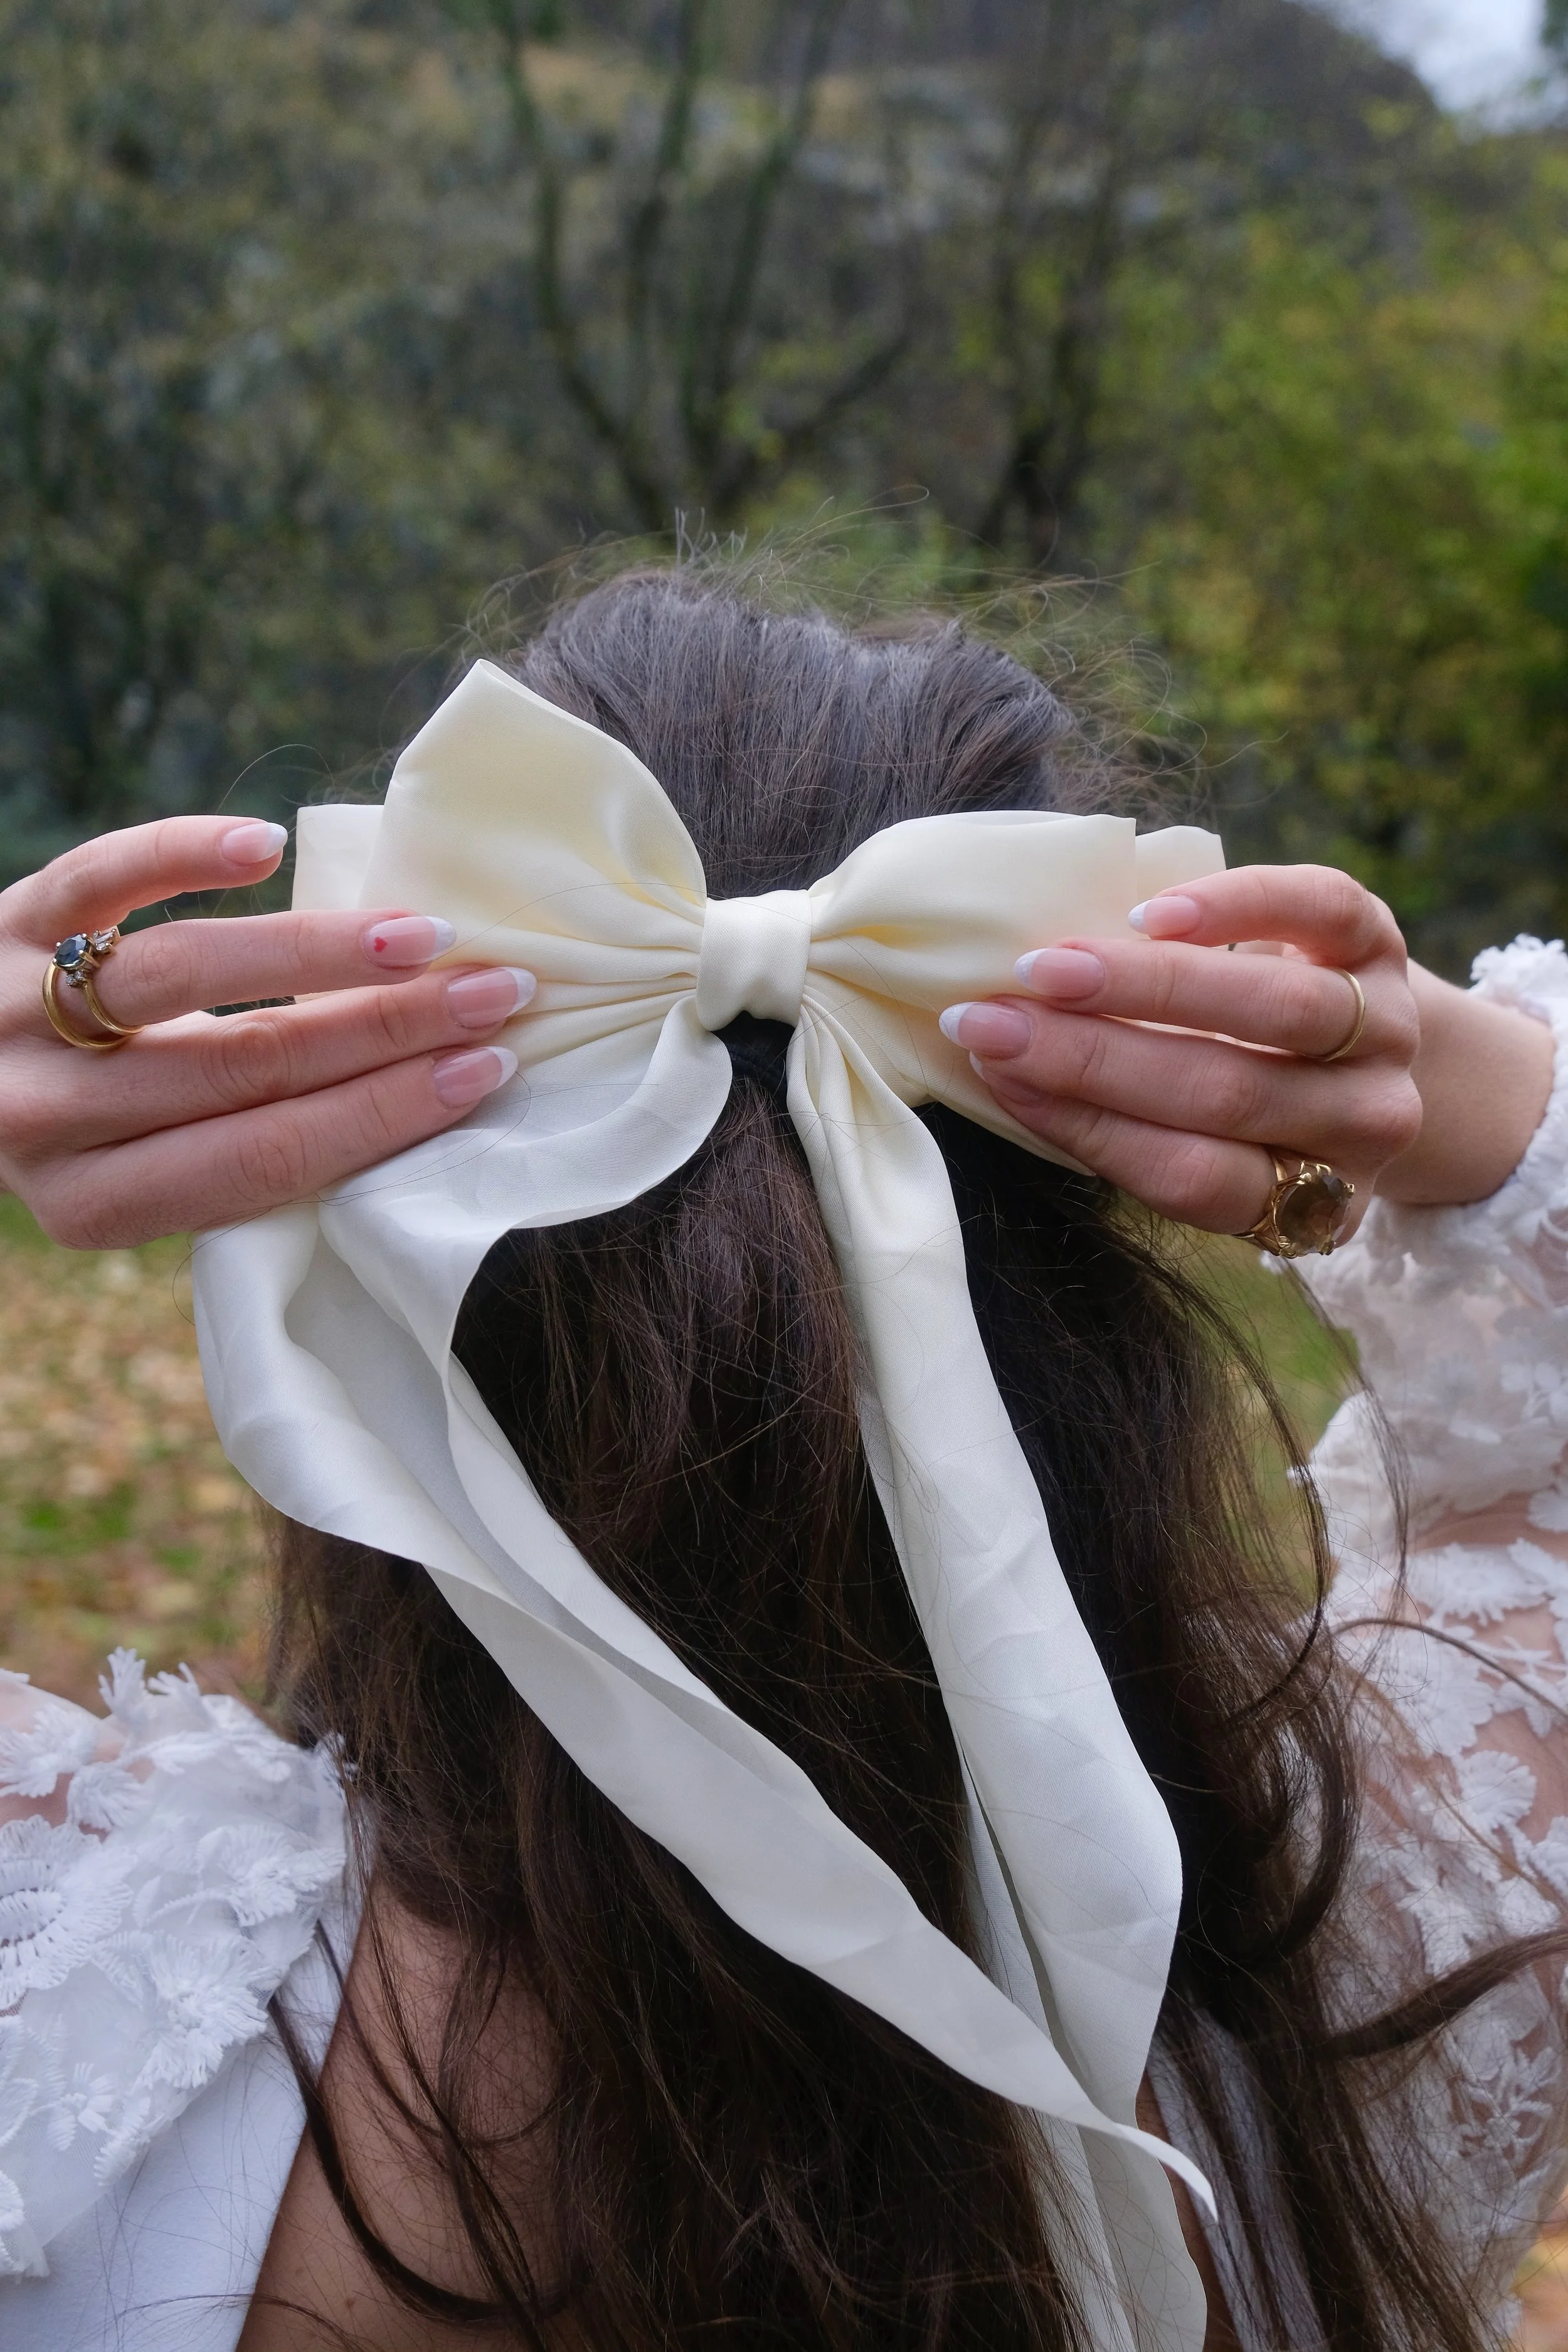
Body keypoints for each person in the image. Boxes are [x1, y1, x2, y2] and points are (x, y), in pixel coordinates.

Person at [0, 564, 1562, 2352]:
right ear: (1108, 1254)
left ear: (388, 1215)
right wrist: (1456, 1088)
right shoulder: (1414, 1944)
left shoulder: (68, 2003)